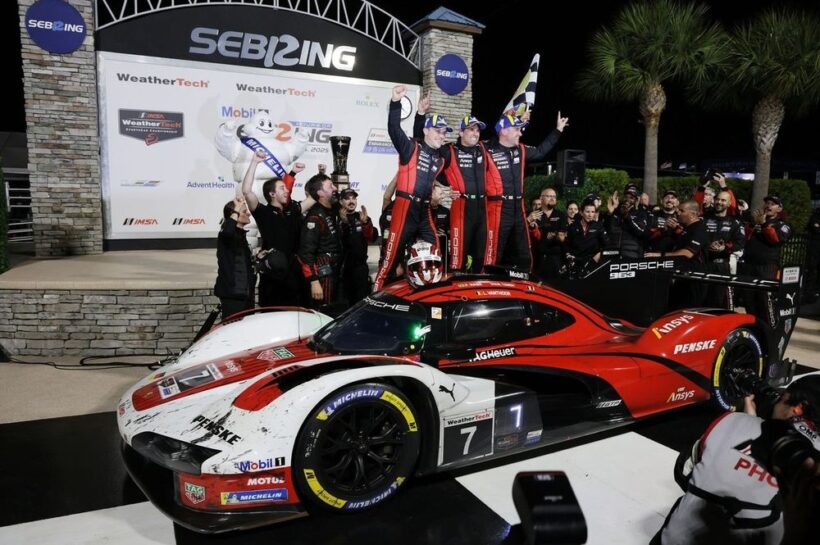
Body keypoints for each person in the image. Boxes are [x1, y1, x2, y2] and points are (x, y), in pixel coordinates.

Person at [654, 375, 820, 545]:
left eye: (781, 399)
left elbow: (683, 472)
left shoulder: (730, 421)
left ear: (797, 408)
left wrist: (748, 424)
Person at [373, 85, 446, 291]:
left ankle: (432, 297)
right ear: (426, 131)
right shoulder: (411, 149)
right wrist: (396, 103)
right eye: (438, 131)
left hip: (424, 212)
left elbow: (421, 137)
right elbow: (395, 130)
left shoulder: (439, 160)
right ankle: (373, 299)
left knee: (435, 255)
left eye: (444, 132)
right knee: (389, 263)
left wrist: (421, 113)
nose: (442, 136)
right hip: (404, 210)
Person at [484, 110, 569, 271]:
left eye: (521, 128)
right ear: (503, 131)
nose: (521, 132)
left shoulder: (521, 149)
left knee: (524, 251)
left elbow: (541, 151)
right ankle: (489, 280)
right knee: (495, 249)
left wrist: (557, 131)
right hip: (498, 208)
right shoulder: (487, 149)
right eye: (516, 129)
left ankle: (525, 282)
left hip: (518, 207)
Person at [414, 95, 489, 273]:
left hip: (483, 209)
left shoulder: (484, 149)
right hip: (462, 208)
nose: (475, 133)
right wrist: (420, 115)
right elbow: (421, 141)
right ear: (461, 132)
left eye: (477, 130)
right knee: (458, 258)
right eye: (471, 129)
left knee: (481, 256)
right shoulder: (449, 150)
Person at [241, 149, 306, 307]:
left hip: (294, 275)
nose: (287, 191)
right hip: (272, 276)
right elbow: (247, 191)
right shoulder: (263, 212)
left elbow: (316, 198)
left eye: (286, 188)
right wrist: (255, 162)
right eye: (282, 189)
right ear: (271, 194)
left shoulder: (292, 211)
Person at [645, 200, 708, 308]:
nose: (677, 212)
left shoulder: (699, 229)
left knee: (687, 312)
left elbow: (687, 253)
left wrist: (660, 256)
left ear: (693, 214)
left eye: (681, 211)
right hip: (681, 277)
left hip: (694, 279)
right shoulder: (686, 229)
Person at [741, 195, 791, 322]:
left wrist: (764, 224)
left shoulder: (782, 225)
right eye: (767, 203)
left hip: (767, 267)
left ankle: (770, 329)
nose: (768, 205)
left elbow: (775, 240)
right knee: (748, 300)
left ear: (779, 209)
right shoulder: (756, 222)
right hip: (749, 266)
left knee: (765, 301)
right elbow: (744, 239)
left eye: (772, 204)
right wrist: (753, 223)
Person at [298, 173, 342, 308]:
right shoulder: (315, 217)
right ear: (320, 193)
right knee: (323, 312)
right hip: (323, 276)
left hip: (337, 272)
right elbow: (305, 253)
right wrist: (314, 281)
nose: (335, 189)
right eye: (330, 186)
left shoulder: (335, 211)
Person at [214, 196, 255, 320]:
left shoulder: (241, 236)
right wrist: (237, 208)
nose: (248, 213)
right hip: (233, 295)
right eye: (244, 211)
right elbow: (228, 232)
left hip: (246, 294)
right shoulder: (225, 235)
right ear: (235, 215)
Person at [704, 190, 746, 308]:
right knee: (701, 299)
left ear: (728, 204)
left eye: (723, 200)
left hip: (722, 266)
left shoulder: (735, 222)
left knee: (721, 301)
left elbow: (740, 243)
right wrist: (707, 245)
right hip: (703, 264)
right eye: (717, 199)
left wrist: (725, 247)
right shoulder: (704, 218)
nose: (719, 202)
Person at [338, 188, 377, 307]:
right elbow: (338, 241)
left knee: (361, 303)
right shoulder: (336, 217)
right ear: (341, 202)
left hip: (361, 268)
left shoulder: (362, 216)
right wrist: (344, 223)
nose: (351, 201)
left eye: (353, 198)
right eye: (347, 198)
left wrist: (365, 223)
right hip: (343, 269)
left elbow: (372, 238)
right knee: (345, 304)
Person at [528, 186, 567, 280]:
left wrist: (553, 235)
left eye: (554, 196)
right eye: (549, 196)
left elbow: (562, 238)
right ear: (541, 198)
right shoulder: (533, 215)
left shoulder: (561, 215)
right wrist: (528, 220)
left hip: (555, 259)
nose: (552, 198)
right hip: (537, 258)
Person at [601, 183, 647, 259]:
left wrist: (627, 217)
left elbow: (640, 232)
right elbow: (606, 230)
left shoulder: (641, 213)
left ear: (636, 200)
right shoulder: (615, 211)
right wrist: (610, 213)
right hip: (612, 255)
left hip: (632, 256)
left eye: (631, 197)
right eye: (626, 196)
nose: (627, 200)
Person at [566, 200, 608, 273]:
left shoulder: (598, 226)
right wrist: (568, 255)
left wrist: (598, 256)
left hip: (592, 265)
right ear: (581, 212)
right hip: (576, 263)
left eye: (592, 212)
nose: (590, 215)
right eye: (587, 212)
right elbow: (567, 245)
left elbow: (607, 244)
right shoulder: (573, 226)